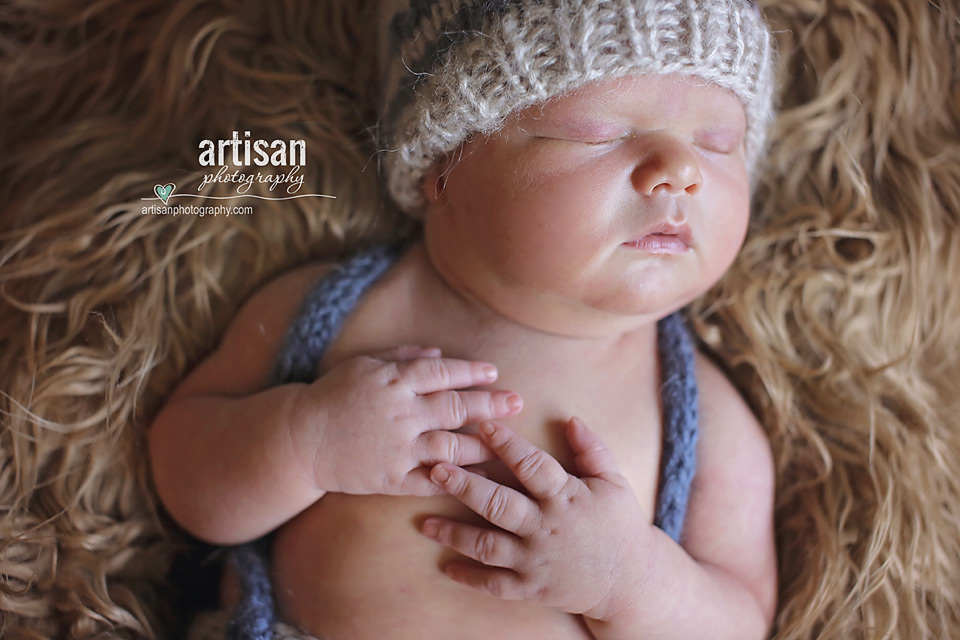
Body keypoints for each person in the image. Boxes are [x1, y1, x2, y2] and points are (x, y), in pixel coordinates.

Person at [149, 1, 780, 638]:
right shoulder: (333, 313)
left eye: (717, 143)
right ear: (444, 166)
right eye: (599, 132)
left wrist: (633, 582)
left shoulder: (707, 417)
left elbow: (743, 619)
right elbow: (182, 475)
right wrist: (303, 442)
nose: (681, 171)